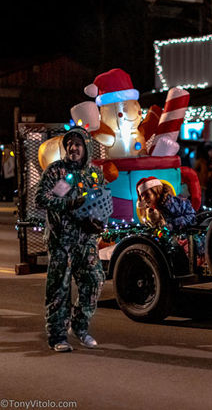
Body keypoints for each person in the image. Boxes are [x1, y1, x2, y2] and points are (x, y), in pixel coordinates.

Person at [35, 126, 106, 352]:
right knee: (60, 288)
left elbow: (100, 201)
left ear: (86, 147)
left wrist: (98, 221)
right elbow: (41, 198)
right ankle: (58, 336)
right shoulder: (57, 172)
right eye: (69, 144)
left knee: (95, 279)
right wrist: (68, 204)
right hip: (61, 240)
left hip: (86, 239)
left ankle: (80, 326)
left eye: (78, 144)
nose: (73, 148)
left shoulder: (93, 173)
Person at [194, 142, 212, 207]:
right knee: (202, 201)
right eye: (210, 151)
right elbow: (198, 172)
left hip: (206, 185)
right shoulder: (201, 161)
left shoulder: (208, 161)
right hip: (202, 185)